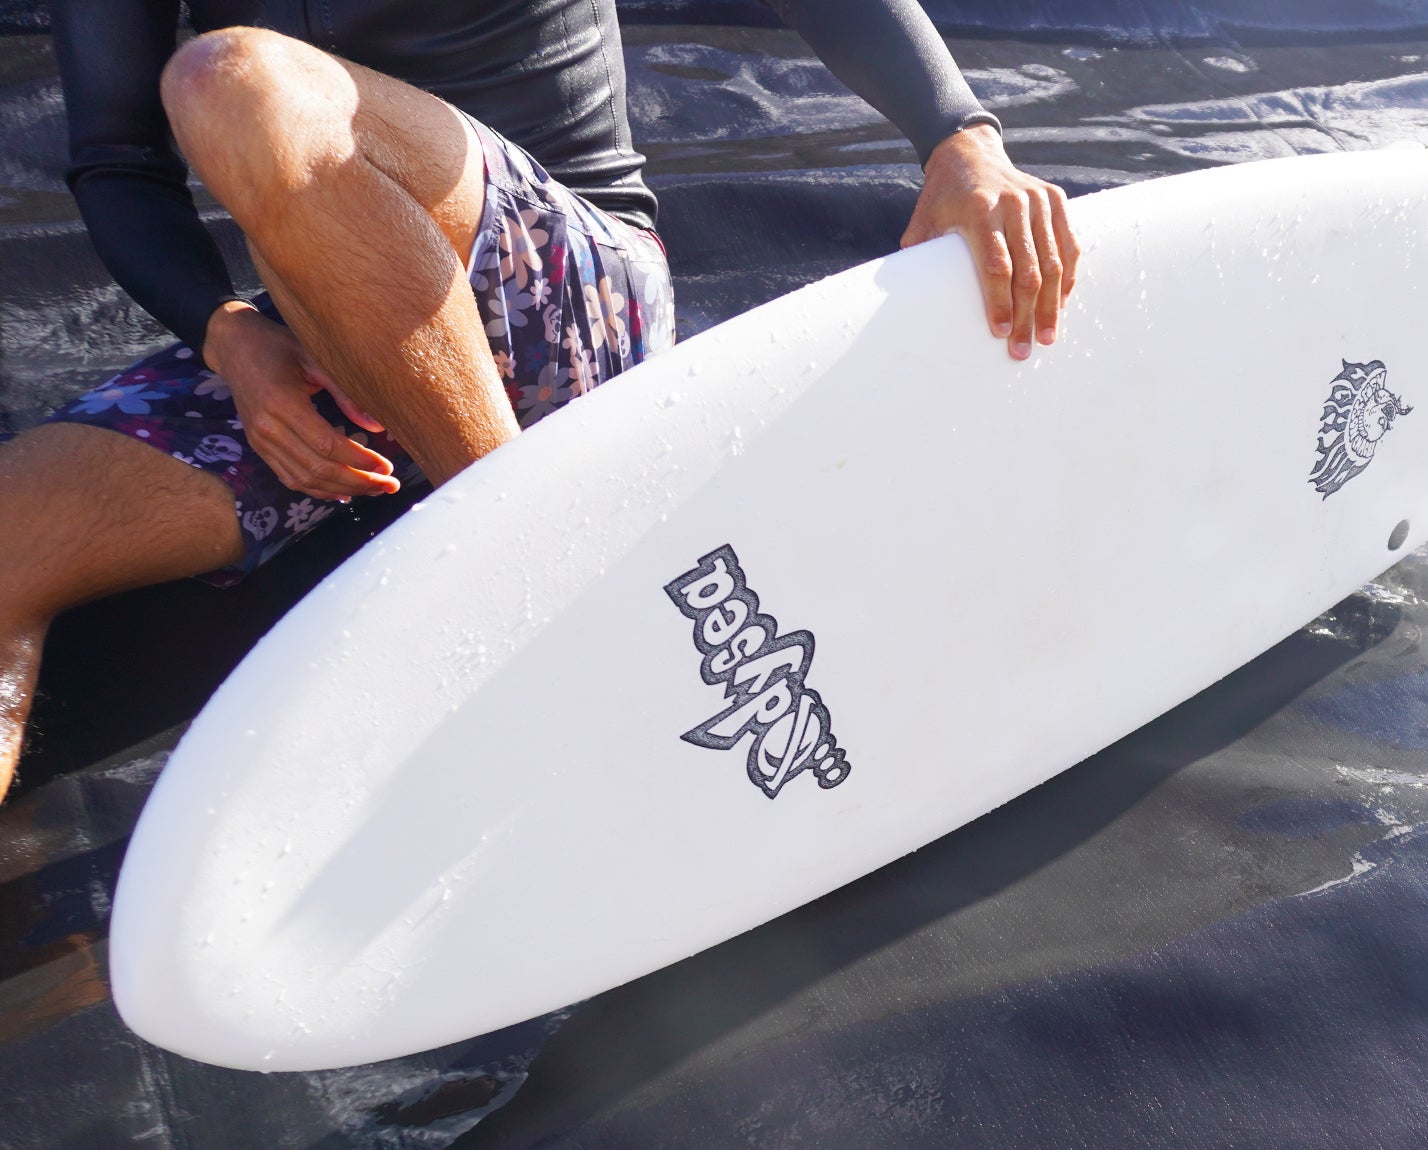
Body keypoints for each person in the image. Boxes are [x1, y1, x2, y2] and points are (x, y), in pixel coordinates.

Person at [0, 0, 1080, 799]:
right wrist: (228, 336)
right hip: (336, 337)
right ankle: (507, 537)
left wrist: (960, 138)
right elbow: (115, 159)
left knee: (234, 80)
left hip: (570, 290)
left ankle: (554, 602)